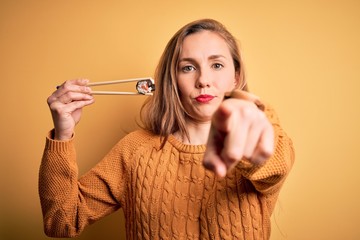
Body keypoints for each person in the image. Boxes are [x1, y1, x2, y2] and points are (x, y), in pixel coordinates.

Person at [39, 18, 294, 239]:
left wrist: (250, 121)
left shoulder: (265, 131)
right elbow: (61, 220)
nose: (203, 80)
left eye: (217, 65)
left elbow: (273, 163)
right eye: (188, 67)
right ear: (173, 80)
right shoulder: (135, 150)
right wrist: (63, 134)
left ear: (236, 77)